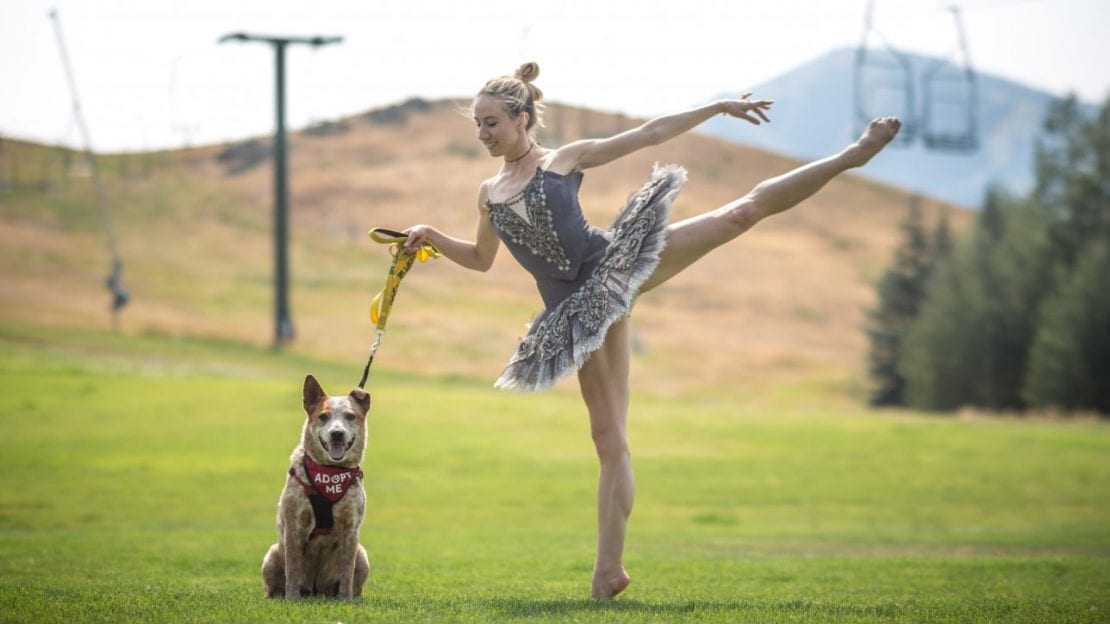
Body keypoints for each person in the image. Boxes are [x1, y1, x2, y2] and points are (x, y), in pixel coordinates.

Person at [402, 62, 900, 599]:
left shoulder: (563, 160)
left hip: (613, 263)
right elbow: (480, 259)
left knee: (739, 214)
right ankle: (609, 571)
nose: (483, 134)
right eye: (477, 124)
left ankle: (853, 155)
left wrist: (718, 107)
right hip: (574, 310)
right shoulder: (488, 193)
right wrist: (430, 236)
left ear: (523, 118)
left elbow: (648, 134)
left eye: (492, 123)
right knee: (608, 439)